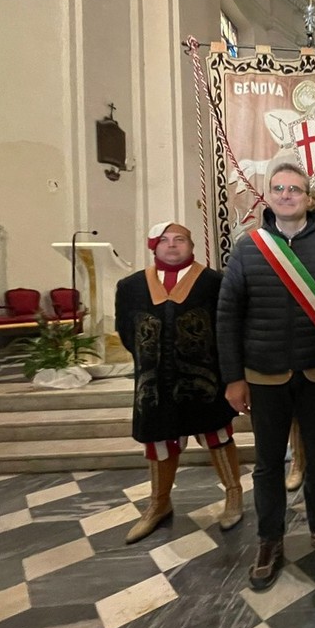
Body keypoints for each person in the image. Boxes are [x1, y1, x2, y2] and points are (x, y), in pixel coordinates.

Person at [217, 161, 315, 592]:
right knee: (267, 464)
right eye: (278, 189)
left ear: (309, 199)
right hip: (264, 375)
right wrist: (233, 378)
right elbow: (227, 316)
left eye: (294, 189)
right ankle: (269, 540)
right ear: (268, 197)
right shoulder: (248, 248)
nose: (286, 195)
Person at [115, 222, 242, 545]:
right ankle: (159, 503)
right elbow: (127, 333)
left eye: (180, 239)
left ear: (191, 245)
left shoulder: (214, 282)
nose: (172, 245)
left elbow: (228, 328)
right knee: (158, 442)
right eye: (165, 240)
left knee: (217, 436)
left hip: (206, 380)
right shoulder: (130, 286)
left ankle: (233, 495)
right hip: (154, 382)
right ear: (154, 247)